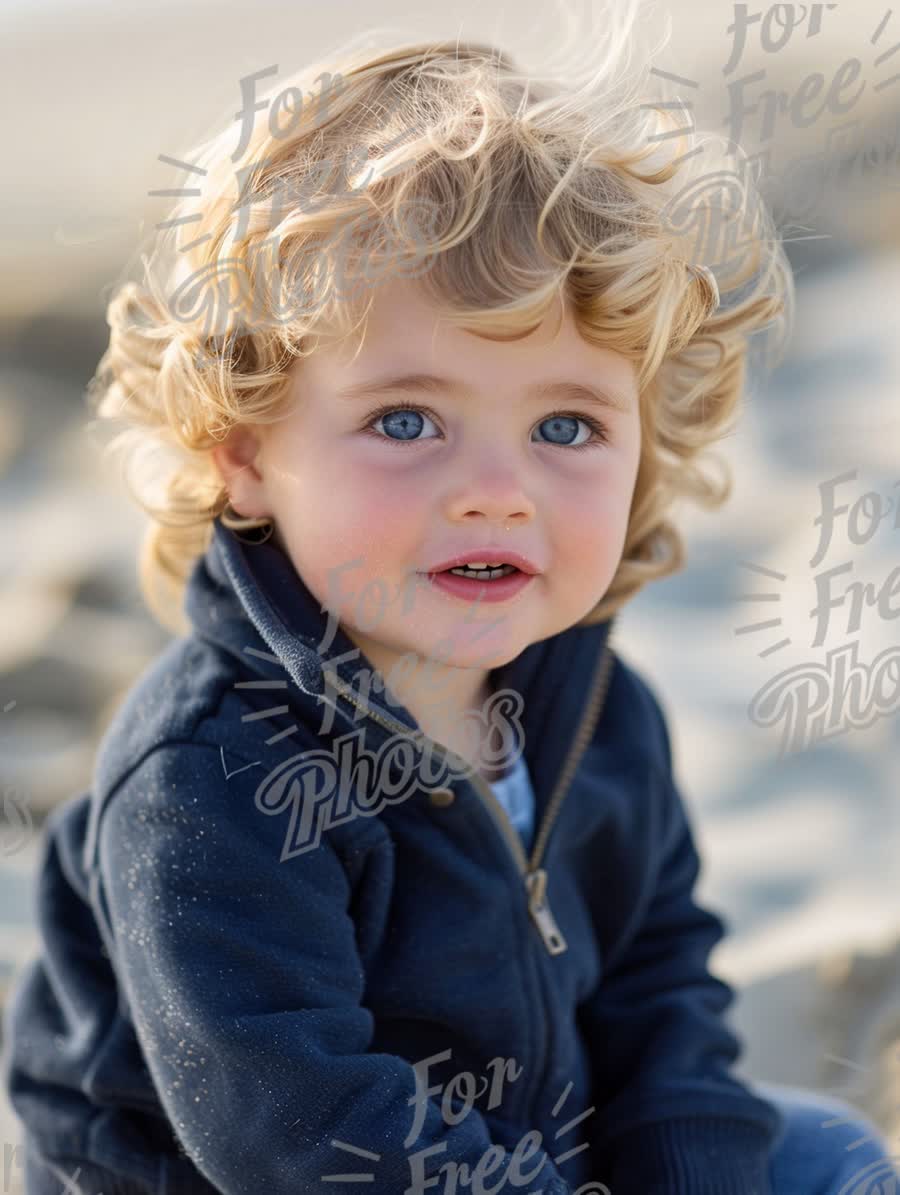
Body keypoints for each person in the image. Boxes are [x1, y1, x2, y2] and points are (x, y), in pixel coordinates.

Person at [4, 4, 898, 1191]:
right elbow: (296, 1122)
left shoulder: (594, 707)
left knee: (827, 1150)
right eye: (406, 420)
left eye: (566, 424)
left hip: (539, 1140)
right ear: (242, 450)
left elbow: (657, 983)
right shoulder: (206, 780)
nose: (496, 492)